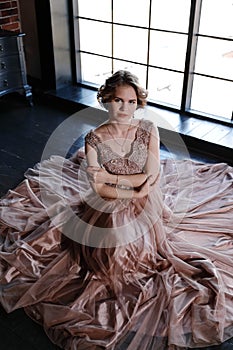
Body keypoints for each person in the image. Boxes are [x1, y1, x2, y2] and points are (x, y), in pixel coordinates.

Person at [0, 70, 233, 350]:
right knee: (110, 244)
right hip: (106, 204)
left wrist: (123, 183)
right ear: (106, 101)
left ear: (139, 103)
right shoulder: (94, 138)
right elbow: (99, 190)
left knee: (146, 247)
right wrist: (130, 187)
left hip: (147, 199)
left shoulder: (148, 129)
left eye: (132, 101)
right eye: (118, 101)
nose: (125, 108)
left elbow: (152, 172)